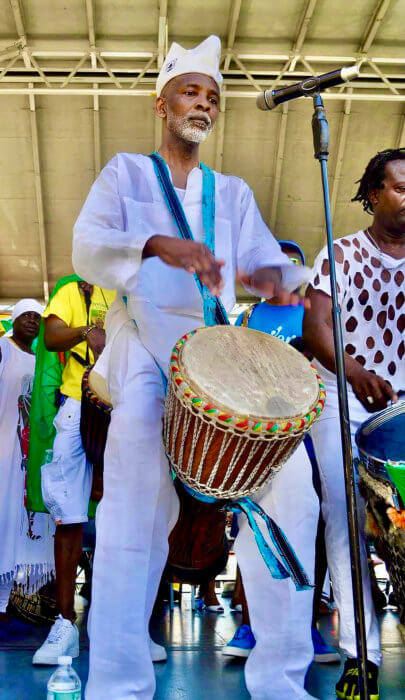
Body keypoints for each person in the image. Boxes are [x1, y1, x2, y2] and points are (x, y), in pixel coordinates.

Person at [73, 35, 319, 699]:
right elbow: (89, 250)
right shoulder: (125, 174)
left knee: (295, 491)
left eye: (211, 96)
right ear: (161, 102)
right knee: (130, 512)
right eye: (190, 91)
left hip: (218, 360)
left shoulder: (231, 192)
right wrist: (155, 243)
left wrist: (283, 280)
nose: (202, 103)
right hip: (146, 355)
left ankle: (280, 680)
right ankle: (118, 684)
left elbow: (266, 262)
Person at [303, 147, 405, 700]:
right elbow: (314, 324)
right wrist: (356, 371)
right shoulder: (339, 254)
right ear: (372, 194)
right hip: (343, 400)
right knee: (343, 522)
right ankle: (358, 654)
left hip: (402, 411)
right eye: (399, 188)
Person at [223, 241, 339, 664]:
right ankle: (252, 624)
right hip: (261, 434)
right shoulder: (248, 316)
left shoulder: (317, 311)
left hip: (308, 429)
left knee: (312, 527)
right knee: (253, 527)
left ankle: (305, 627)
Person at [31, 278, 115, 665]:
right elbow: (50, 336)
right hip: (76, 406)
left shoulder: (129, 291)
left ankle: (117, 625)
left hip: (125, 407)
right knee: (68, 516)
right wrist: (87, 331)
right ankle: (65, 623)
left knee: (128, 518)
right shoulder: (69, 290)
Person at [0, 299, 55, 620]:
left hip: (34, 454)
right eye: (26, 316)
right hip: (6, 446)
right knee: (5, 516)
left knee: (31, 519)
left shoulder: (43, 359)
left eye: (38, 317)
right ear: (15, 320)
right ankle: (3, 598)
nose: (33, 321)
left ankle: (27, 595)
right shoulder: (4, 350)